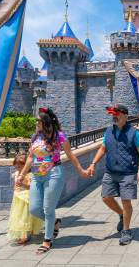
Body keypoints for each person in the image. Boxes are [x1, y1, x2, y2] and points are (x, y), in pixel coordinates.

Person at [17, 108, 89, 254]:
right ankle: (55, 222)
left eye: (38, 120)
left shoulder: (59, 136)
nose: (36, 123)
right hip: (37, 175)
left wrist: (81, 170)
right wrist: (22, 174)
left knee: (48, 209)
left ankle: (47, 239)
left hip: (54, 173)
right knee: (35, 209)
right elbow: (30, 157)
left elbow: (70, 155)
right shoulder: (35, 137)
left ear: (45, 122)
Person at [88, 104, 139, 246]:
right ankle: (122, 215)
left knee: (126, 201)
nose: (114, 117)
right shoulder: (109, 131)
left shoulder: (134, 133)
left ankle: (126, 231)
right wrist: (93, 163)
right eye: (112, 115)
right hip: (110, 171)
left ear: (125, 116)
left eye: (117, 114)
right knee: (106, 197)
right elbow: (103, 148)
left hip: (127, 172)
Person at [7, 153, 43, 245]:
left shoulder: (29, 175)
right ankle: (25, 233)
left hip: (25, 198)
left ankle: (24, 236)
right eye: (16, 165)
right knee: (18, 217)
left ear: (26, 165)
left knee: (25, 217)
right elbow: (15, 185)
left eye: (21, 165)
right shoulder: (15, 174)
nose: (18, 166)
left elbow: (31, 186)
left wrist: (22, 184)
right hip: (17, 198)